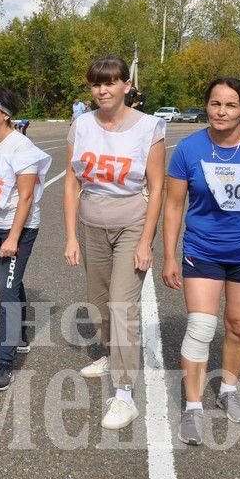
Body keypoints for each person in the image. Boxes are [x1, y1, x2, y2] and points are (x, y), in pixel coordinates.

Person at [162, 78, 240, 446]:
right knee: (201, 327)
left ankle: (229, 388)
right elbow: (173, 206)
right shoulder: (188, 149)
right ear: (207, 107)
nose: (221, 111)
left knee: (239, 325)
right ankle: (194, 406)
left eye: (231, 105)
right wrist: (168, 255)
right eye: (215, 104)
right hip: (202, 249)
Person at [63, 56, 166, 430]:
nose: (102, 90)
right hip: (91, 224)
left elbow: (156, 189)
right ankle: (110, 354)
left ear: (126, 86)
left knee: (123, 305)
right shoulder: (81, 125)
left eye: (110, 83)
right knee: (99, 303)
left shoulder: (149, 128)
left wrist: (146, 241)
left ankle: (124, 393)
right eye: (95, 84)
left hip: (130, 225)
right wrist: (71, 235)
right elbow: (72, 183)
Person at [0, 89, 51, 390]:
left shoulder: (21, 147)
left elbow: (27, 197)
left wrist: (14, 237)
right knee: (9, 284)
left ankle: (5, 361)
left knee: (6, 291)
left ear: (5, 114)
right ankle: (20, 335)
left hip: (20, 229)